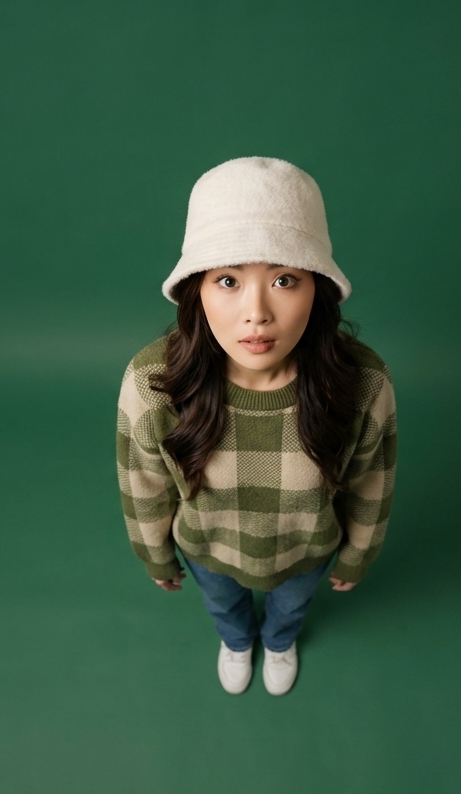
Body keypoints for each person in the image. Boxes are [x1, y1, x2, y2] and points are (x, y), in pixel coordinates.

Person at [115, 156, 397, 696]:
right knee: (223, 605)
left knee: (290, 608)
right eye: (227, 280)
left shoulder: (363, 383)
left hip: (306, 556)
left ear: (318, 288)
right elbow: (142, 484)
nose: (257, 313)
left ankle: (281, 640)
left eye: (285, 279)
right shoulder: (153, 382)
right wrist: (155, 553)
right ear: (195, 289)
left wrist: (359, 554)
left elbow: (371, 481)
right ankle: (237, 640)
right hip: (208, 553)